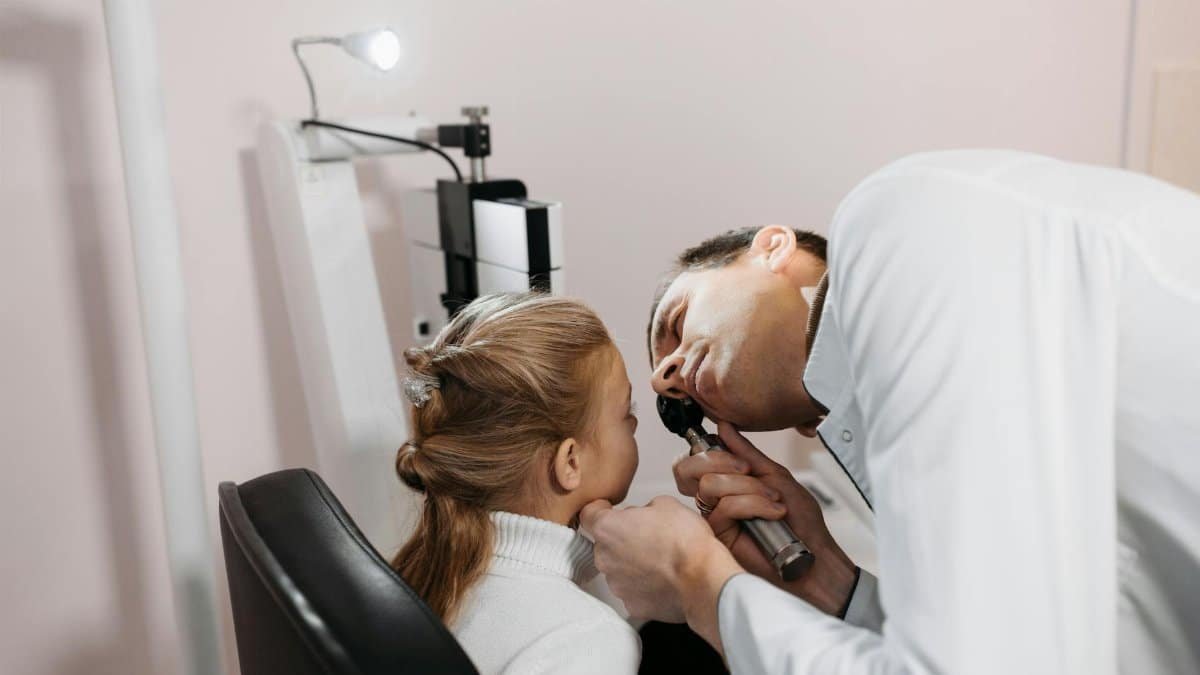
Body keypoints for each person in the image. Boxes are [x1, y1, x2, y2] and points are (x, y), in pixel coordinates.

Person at [582, 150, 1200, 674]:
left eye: (676, 321)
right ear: (808, 423)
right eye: (682, 401)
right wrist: (830, 584)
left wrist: (697, 583)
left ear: (771, 249)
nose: (666, 378)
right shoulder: (893, 426)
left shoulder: (897, 224)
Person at [392, 292, 642, 675]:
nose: (636, 425)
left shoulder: (417, 574)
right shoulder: (586, 640)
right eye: (627, 413)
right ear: (570, 461)